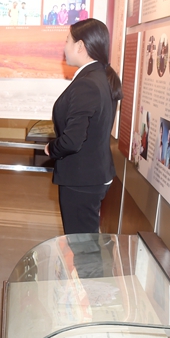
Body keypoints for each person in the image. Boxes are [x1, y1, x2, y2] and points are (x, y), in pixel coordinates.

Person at [45, 19, 122, 234]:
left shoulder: (87, 83)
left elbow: (73, 140)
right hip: (91, 175)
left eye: (67, 41)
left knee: (83, 247)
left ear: (80, 46)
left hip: (82, 179)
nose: (64, 48)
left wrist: (52, 148)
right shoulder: (100, 76)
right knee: (86, 243)